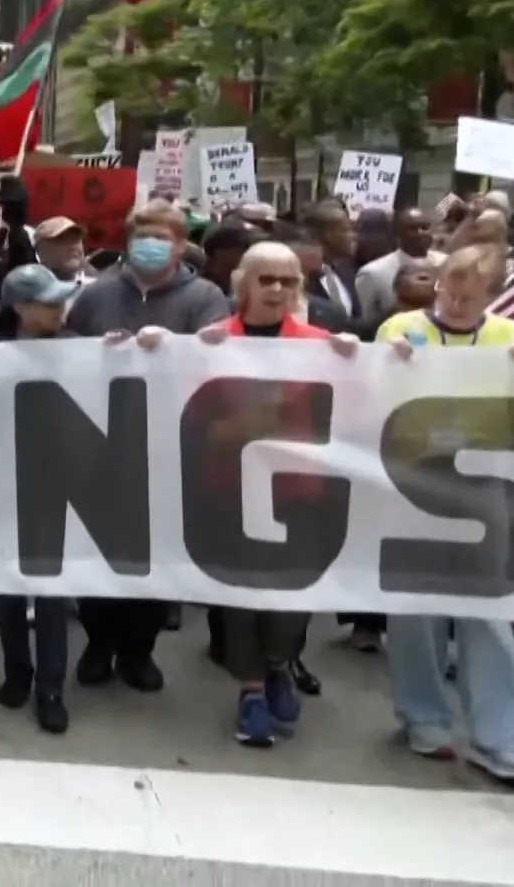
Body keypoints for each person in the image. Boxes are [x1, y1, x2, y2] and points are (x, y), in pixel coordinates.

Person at [377, 244, 514, 790]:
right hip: (409, 482)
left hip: (482, 488)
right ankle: (424, 719)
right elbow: (368, 398)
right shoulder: (400, 326)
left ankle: (502, 743)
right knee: (412, 611)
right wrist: (387, 363)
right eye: (449, 288)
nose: (454, 301)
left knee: (487, 612)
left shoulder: (509, 336)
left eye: (469, 296)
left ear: (492, 298)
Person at [190, 243, 358, 748]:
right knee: (241, 596)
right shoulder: (212, 345)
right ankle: (251, 691)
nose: (279, 290)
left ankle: (280, 663)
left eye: (288, 281)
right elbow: (191, 418)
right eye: (267, 280)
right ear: (244, 286)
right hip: (231, 489)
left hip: (298, 491)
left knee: (292, 593)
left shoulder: (321, 344)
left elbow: (361, 406)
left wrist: (366, 362)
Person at [63, 201, 229, 693]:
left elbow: (219, 354)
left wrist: (176, 348)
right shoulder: (96, 295)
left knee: (156, 553)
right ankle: (99, 643)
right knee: (99, 549)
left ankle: (139, 650)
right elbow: (63, 355)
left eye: (162, 237)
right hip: (103, 438)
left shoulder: (205, 296)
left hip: (171, 445)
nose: (151, 246)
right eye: (142, 236)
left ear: (180, 245)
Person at [0, 264, 82, 734]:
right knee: (9, 588)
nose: (59, 311)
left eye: (61, 302)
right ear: (19, 308)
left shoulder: (83, 348)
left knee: (52, 591)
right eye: (48, 303)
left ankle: (50, 687)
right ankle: (18, 671)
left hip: (58, 480)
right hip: (0, 480)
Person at [355, 206, 443, 318]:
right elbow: (363, 320)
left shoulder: (448, 263)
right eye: (412, 228)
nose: (420, 232)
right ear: (397, 233)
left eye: (425, 227)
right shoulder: (373, 273)